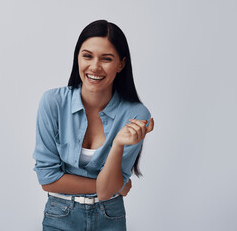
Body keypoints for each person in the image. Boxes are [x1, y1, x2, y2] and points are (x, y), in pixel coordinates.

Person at [33, 19, 154, 231]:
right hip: (59, 214)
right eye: (87, 56)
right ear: (77, 58)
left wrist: (117, 144)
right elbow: (47, 179)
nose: (95, 67)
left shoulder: (136, 114)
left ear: (121, 64)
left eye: (106, 59)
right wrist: (118, 186)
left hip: (110, 216)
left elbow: (108, 193)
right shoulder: (53, 102)